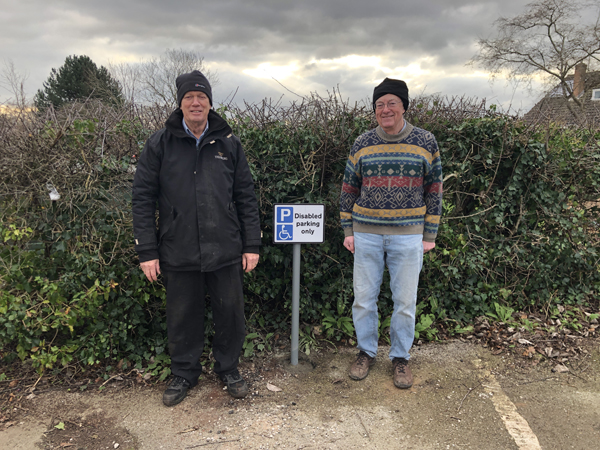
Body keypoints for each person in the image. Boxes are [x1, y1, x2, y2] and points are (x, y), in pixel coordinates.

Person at [132, 70, 261, 406]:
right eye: (189, 97)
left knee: (230, 313)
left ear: (209, 103)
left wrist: (251, 244)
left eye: (201, 96)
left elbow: (246, 195)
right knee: (182, 317)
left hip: (226, 248)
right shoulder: (160, 143)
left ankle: (229, 368)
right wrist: (147, 250)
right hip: (178, 248)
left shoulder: (229, 143)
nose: (195, 102)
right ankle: (183, 373)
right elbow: (143, 198)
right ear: (180, 103)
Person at [339, 78, 442, 389]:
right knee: (363, 300)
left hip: (409, 236)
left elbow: (434, 190)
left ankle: (400, 358)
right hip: (366, 233)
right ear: (374, 110)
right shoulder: (362, 143)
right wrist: (348, 228)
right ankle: (366, 352)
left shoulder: (426, 141)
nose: (385, 109)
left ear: (404, 106)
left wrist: (430, 234)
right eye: (379, 104)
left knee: (405, 301)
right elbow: (348, 188)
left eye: (391, 103)